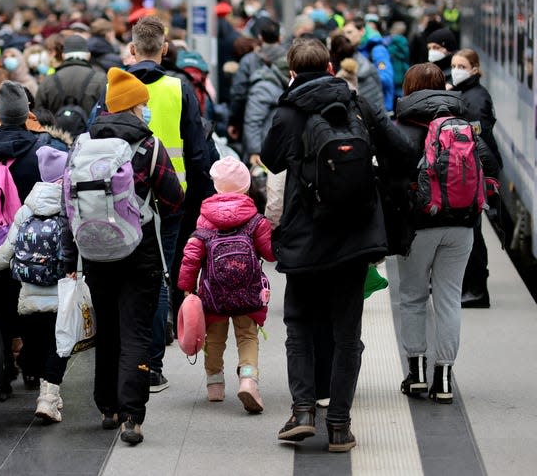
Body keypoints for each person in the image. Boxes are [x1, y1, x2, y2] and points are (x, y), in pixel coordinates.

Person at [260, 39, 412, 453]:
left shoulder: (288, 111)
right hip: (355, 237)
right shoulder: (358, 104)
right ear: (330, 66)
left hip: (305, 237)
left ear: (291, 70)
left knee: (300, 327)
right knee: (348, 334)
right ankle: (340, 426)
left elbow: (271, 161)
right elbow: (403, 153)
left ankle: (303, 411)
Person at [84, 67, 184, 445]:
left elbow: (68, 201)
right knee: (136, 331)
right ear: (131, 106)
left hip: (95, 251)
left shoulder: (84, 144)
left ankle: (107, 406)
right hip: (138, 249)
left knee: (107, 329)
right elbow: (175, 198)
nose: (145, 110)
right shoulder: (149, 145)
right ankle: (132, 417)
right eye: (142, 104)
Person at [394, 63, 499, 403]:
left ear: (410, 89)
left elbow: (391, 179)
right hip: (462, 224)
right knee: (449, 298)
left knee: (412, 297)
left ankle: (418, 373)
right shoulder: (464, 125)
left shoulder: (403, 127)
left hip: (420, 225)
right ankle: (444, 378)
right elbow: (491, 165)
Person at [125, 15, 213, 392]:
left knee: (127, 276)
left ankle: (128, 358)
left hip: (124, 195)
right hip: (171, 197)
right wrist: (206, 199)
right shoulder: (180, 89)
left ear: (131, 49)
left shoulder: (116, 87)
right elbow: (197, 151)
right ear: (163, 49)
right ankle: (154, 364)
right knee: (161, 273)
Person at [0, 81, 57, 395]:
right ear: (27, 113)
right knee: (35, 305)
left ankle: (1, 372)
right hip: (34, 243)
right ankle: (34, 368)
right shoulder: (44, 147)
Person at [0, 147, 76, 423]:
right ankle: (48, 397)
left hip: (29, 299)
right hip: (61, 297)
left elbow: (6, 253)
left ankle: (42, 385)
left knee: (35, 346)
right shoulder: (69, 210)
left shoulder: (26, 210)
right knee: (59, 347)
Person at [177, 157, 274, 412]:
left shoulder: (205, 218)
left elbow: (192, 254)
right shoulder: (254, 218)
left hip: (214, 293)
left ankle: (215, 385)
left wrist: (186, 287)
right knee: (247, 336)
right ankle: (249, 379)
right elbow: (271, 252)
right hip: (248, 291)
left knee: (215, 338)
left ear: (217, 187)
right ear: (246, 187)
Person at [449, 49, 502, 308]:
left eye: (462, 65)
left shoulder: (476, 99)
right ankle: (473, 287)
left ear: (474, 68)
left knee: (474, 234)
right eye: (454, 64)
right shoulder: (466, 94)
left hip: (476, 172)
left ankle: (478, 290)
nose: (456, 69)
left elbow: (477, 140)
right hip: (470, 171)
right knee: (471, 233)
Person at [228, 18, 286, 143]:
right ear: (280, 38)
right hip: (284, 120)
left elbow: (239, 93)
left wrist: (234, 121)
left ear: (260, 37)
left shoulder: (248, 60)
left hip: (251, 120)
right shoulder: (289, 59)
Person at [36, 34, 107, 126]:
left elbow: (39, 113)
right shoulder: (100, 79)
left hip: (56, 137)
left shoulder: (48, 81)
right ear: (88, 55)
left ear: (63, 55)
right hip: (90, 137)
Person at [343, 18, 395, 112]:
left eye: (350, 32)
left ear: (362, 31)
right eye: (344, 33)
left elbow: (386, 78)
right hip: (365, 109)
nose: (346, 36)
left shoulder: (377, 50)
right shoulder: (355, 51)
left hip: (381, 109)